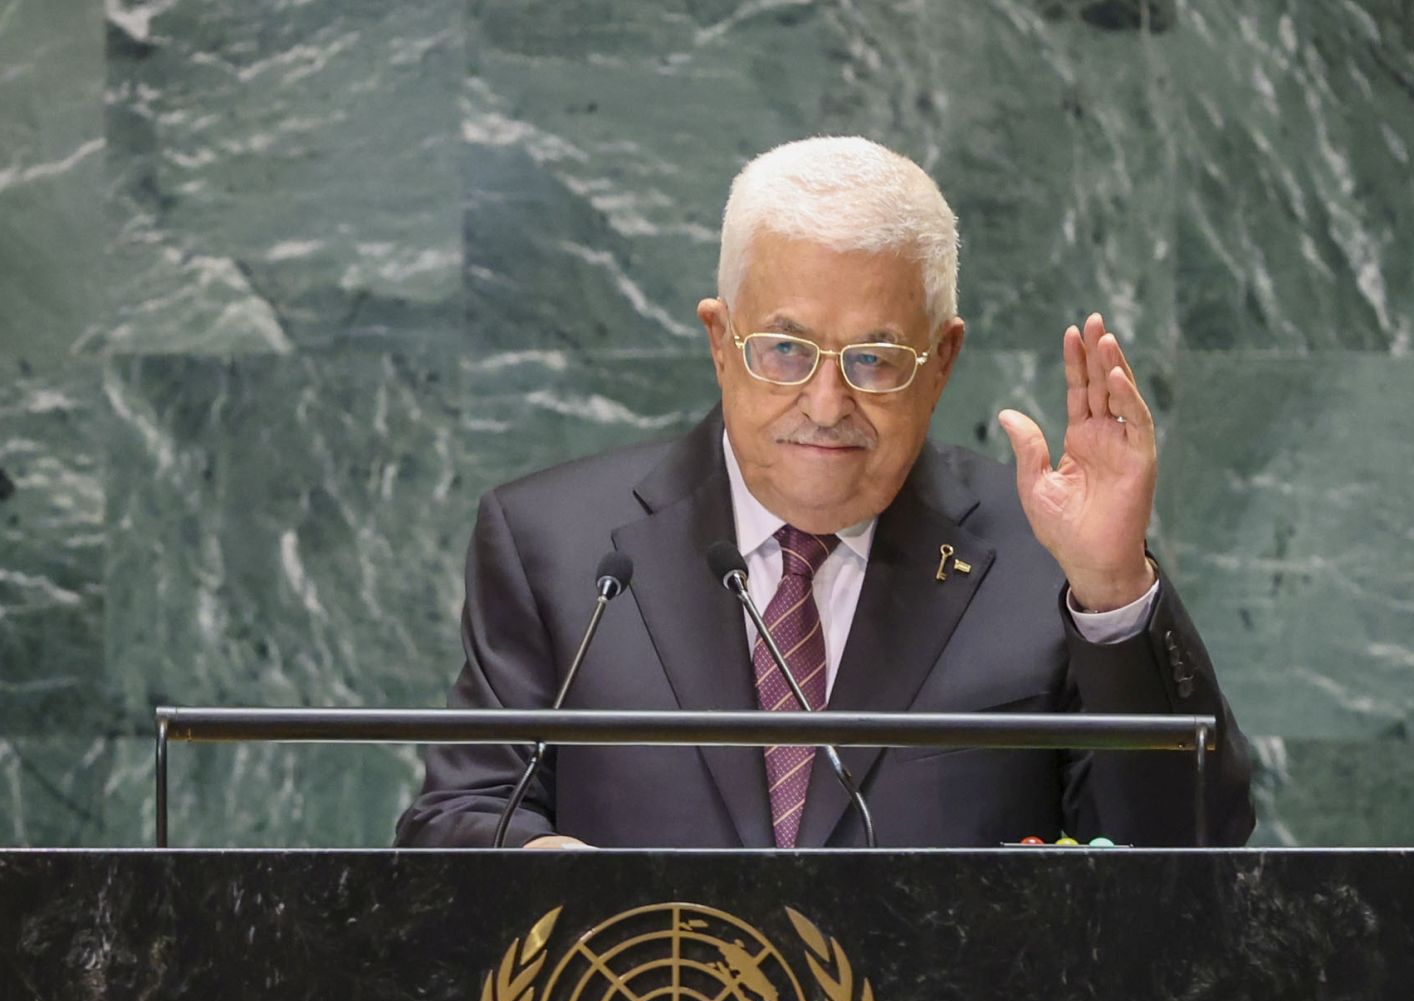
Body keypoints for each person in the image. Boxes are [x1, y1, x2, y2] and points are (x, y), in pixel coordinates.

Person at [395, 136, 1253, 850]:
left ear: (943, 359)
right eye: (784, 349)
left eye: (875, 359)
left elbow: (1191, 853)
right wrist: (581, 890)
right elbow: (456, 821)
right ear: (720, 341)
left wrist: (1111, 591)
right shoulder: (557, 545)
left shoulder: (1045, 555)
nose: (826, 402)